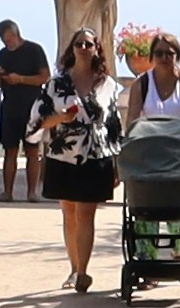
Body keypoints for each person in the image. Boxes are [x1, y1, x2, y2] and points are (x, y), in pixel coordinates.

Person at [37, 29, 120, 291]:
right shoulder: (56, 84)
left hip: (96, 155)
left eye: (89, 43)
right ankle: (73, 268)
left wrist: (118, 163)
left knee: (86, 213)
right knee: (69, 213)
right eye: (79, 43)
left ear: (97, 49)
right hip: (63, 154)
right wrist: (60, 117)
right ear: (71, 49)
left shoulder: (108, 85)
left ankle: (83, 272)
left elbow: (115, 127)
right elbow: (40, 120)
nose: (84, 47)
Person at [0, 18, 51, 199]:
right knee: (10, 151)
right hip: (9, 108)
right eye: (5, 40)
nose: (8, 43)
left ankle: (32, 193)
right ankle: (7, 192)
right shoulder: (3, 54)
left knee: (32, 151)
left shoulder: (34, 50)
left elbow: (44, 77)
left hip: (32, 108)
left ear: (16, 34)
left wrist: (21, 79)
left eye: (10, 38)